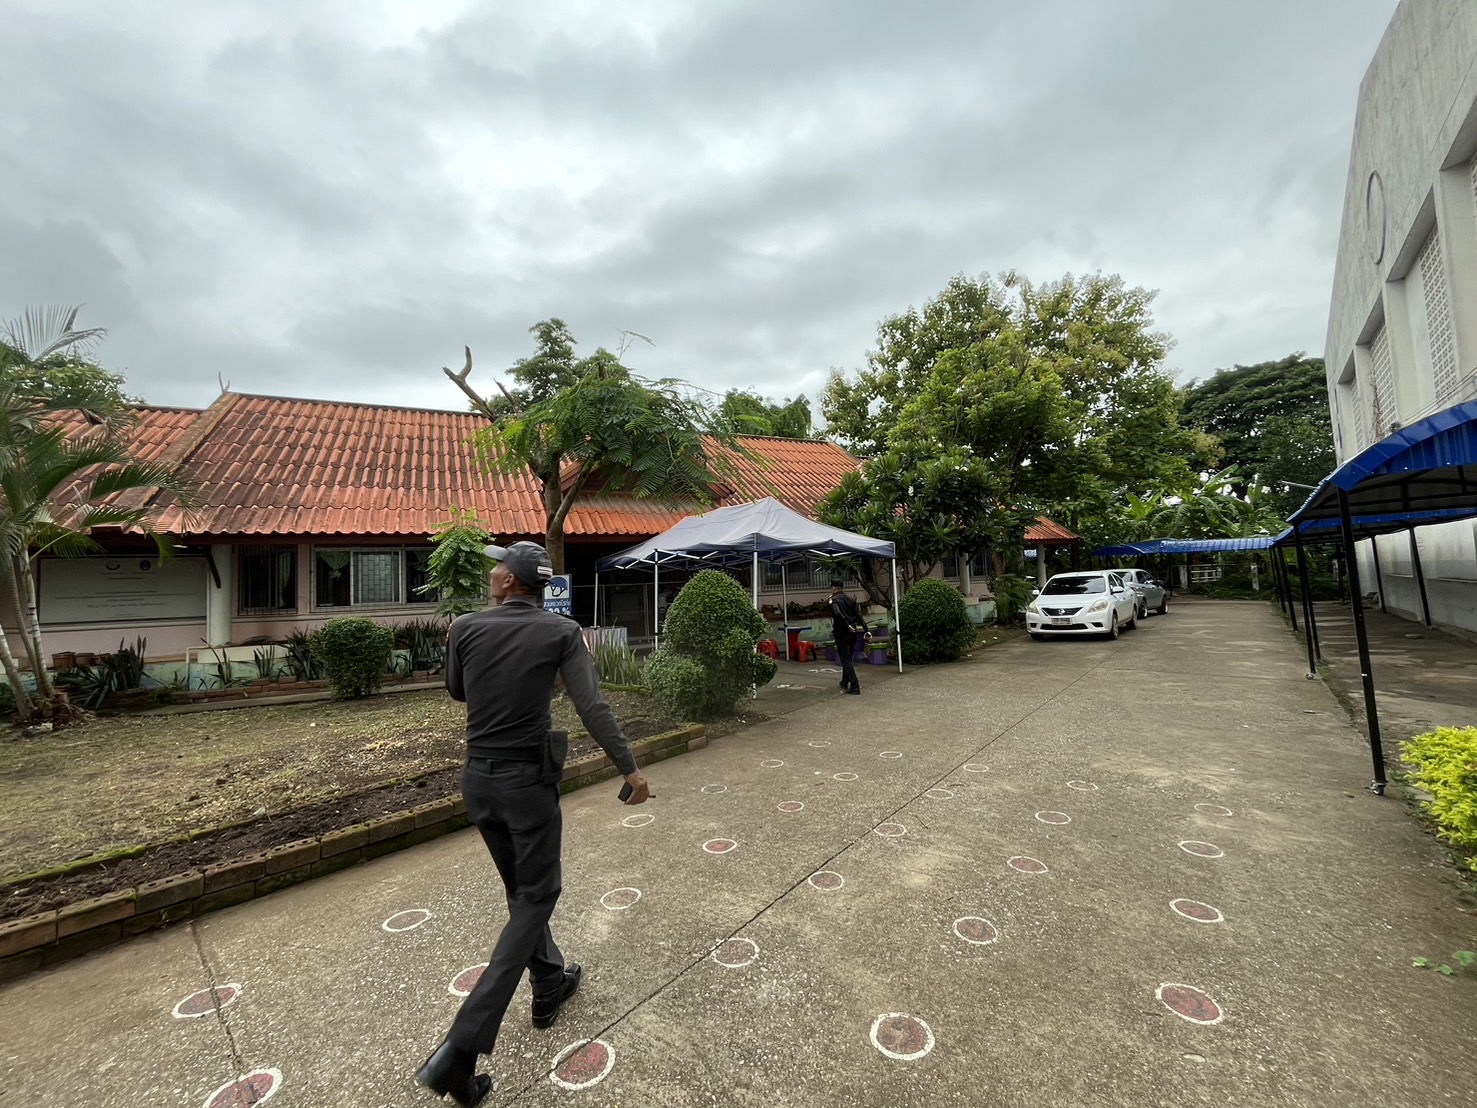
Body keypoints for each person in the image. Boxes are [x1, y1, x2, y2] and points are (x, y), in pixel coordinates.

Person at [415, 541, 652, 1106]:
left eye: (498, 566)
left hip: (479, 781)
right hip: (528, 786)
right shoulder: (562, 632)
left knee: (522, 892)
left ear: (510, 582)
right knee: (539, 893)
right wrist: (630, 768)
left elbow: (457, 691)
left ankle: (549, 981)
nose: (492, 571)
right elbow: (592, 705)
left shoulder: (464, 628)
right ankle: (461, 1049)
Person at [828, 577, 865, 696]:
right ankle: (845, 681)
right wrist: (866, 629)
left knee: (845, 660)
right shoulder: (850, 600)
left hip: (842, 633)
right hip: (853, 633)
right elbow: (858, 616)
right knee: (848, 657)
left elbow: (837, 613)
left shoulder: (834, 600)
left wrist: (846, 625)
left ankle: (855, 685)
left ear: (834, 588)